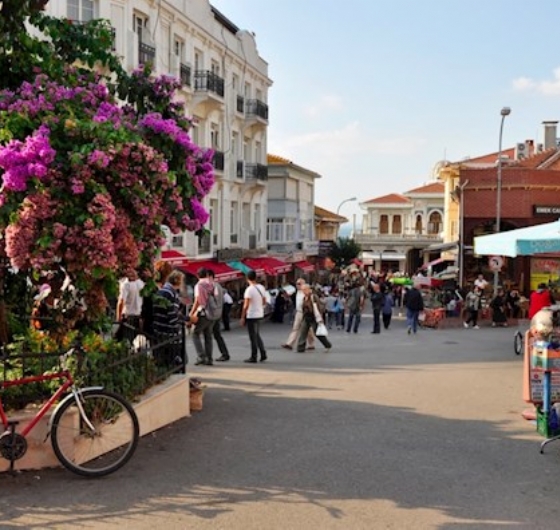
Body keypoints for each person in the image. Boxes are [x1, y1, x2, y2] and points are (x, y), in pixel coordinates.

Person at [152, 270, 187, 367]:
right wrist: (186, 319)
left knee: (161, 357)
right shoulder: (172, 293)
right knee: (175, 359)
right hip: (169, 331)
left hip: (158, 328)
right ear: (177, 281)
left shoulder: (162, 290)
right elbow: (172, 317)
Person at [189, 268, 217, 366]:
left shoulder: (199, 285)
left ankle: (201, 356)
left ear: (197, 275)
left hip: (203, 312)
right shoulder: (212, 284)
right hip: (212, 312)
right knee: (208, 336)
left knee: (195, 333)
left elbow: (198, 301)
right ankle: (209, 358)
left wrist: (192, 313)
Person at [240, 270, 268, 363]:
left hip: (251, 315)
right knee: (257, 335)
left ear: (247, 279)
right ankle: (263, 353)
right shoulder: (261, 287)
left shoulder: (249, 290)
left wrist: (242, 317)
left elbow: (246, 305)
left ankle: (254, 356)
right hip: (260, 314)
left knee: (253, 336)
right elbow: (264, 301)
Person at [296, 285, 332, 353]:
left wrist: (320, 317)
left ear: (308, 289)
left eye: (304, 290)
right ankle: (300, 348)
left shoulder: (313, 297)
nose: (303, 291)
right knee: (303, 332)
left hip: (314, 317)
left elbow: (319, 307)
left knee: (317, 333)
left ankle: (327, 344)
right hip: (306, 317)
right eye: (302, 290)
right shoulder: (304, 298)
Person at [282, 278, 315, 350]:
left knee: (308, 329)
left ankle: (311, 343)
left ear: (304, 284)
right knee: (295, 328)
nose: (297, 285)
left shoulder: (307, 292)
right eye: (297, 283)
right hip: (299, 312)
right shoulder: (297, 292)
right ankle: (289, 343)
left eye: (299, 284)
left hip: (306, 313)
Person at [206, 270, 231, 362]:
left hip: (213, 314)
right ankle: (224, 353)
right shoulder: (218, 286)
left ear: (210, 276)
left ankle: (208, 357)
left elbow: (213, 301)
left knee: (209, 335)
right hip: (218, 313)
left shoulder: (213, 287)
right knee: (217, 335)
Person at [116, 269, 145, 341]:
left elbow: (121, 301)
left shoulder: (126, 285)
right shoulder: (141, 284)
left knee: (124, 340)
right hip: (139, 316)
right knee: (136, 340)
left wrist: (118, 318)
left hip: (128, 316)